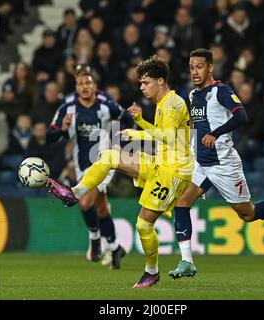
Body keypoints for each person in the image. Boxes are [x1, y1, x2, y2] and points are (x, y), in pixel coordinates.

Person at [47, 55, 194, 288]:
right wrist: (142, 122)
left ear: (161, 81)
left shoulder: (174, 104)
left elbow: (168, 136)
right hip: (160, 162)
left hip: (175, 171)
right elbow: (163, 134)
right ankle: (74, 192)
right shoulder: (162, 103)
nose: (142, 88)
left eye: (146, 83)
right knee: (110, 156)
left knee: (144, 225)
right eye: (141, 83)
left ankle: (151, 272)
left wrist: (136, 132)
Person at [168, 49, 264, 279]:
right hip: (202, 163)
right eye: (191, 67)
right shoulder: (192, 95)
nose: (194, 71)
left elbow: (241, 116)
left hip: (224, 164)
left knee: (247, 214)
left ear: (210, 67)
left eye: (199, 66)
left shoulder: (221, 91)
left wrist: (216, 134)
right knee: (181, 204)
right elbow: (195, 127)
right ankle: (187, 261)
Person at [46, 70, 133, 269]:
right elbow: (50, 136)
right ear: (76, 88)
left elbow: (127, 119)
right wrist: (61, 129)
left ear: (94, 87)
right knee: (101, 208)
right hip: (81, 164)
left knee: (85, 203)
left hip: (103, 161)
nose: (85, 86)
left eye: (88, 83)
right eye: (81, 83)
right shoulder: (67, 108)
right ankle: (114, 247)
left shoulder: (106, 106)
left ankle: (94, 239)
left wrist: (118, 141)